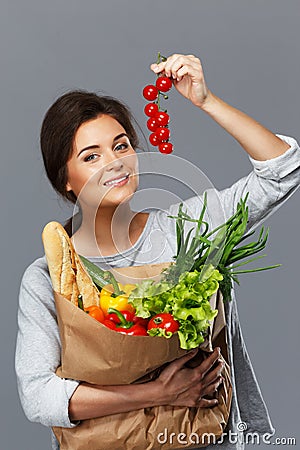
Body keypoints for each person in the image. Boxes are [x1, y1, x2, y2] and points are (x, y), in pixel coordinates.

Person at [15, 53, 300, 450]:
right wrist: (158, 394)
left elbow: (283, 170)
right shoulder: (47, 277)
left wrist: (207, 101)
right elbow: (39, 397)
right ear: (66, 180)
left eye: (121, 145)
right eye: (91, 156)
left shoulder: (188, 229)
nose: (114, 163)